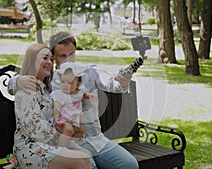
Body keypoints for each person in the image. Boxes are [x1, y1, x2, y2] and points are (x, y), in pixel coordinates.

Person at [8, 32, 139, 169]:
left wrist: (123, 82)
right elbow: (27, 80)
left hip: (96, 139)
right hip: (71, 142)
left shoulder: (89, 72)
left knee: (130, 165)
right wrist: (16, 81)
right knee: (87, 165)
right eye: (62, 56)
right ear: (55, 58)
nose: (68, 60)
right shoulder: (50, 80)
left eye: (71, 54)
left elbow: (113, 84)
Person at [13, 43, 91, 169]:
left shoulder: (46, 88)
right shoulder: (27, 87)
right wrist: (61, 135)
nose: (49, 62)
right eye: (45, 58)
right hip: (30, 148)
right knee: (80, 161)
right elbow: (34, 128)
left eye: (51, 59)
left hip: (48, 144)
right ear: (32, 60)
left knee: (84, 159)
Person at [51, 62, 91, 147]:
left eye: (70, 83)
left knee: (82, 129)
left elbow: (83, 95)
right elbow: (57, 107)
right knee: (68, 129)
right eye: (63, 82)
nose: (66, 85)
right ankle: (61, 148)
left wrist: (87, 96)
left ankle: (70, 143)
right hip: (62, 119)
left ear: (78, 84)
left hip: (73, 120)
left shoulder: (79, 92)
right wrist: (56, 118)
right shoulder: (60, 94)